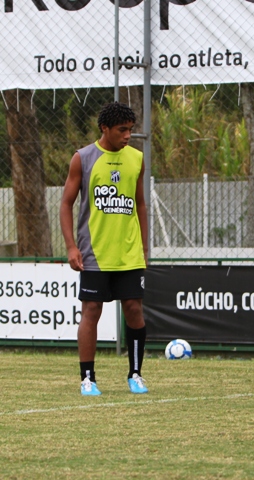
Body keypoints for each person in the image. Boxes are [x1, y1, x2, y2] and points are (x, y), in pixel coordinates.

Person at [60, 101, 149, 396]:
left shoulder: (136, 158)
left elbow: (140, 203)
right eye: (122, 130)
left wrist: (144, 247)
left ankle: (135, 374)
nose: (127, 136)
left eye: (131, 130)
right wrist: (72, 247)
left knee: (134, 309)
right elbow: (65, 204)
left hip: (128, 253)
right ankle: (88, 379)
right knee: (92, 310)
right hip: (94, 253)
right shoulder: (82, 158)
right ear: (105, 129)